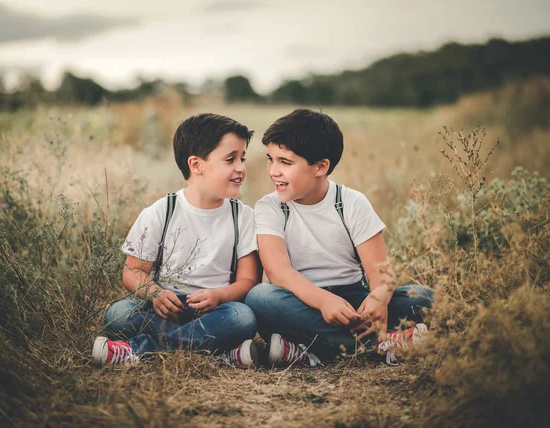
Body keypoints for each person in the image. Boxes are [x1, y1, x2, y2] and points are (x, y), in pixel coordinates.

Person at [245, 109, 434, 367]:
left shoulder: (351, 202)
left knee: (425, 298)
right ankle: (382, 345)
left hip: (355, 302)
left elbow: (381, 271)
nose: (273, 171)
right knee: (261, 299)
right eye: (271, 159)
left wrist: (379, 297)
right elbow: (278, 272)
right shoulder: (270, 207)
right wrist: (323, 301)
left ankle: (313, 350)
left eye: (285, 162)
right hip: (302, 302)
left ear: (321, 166)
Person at [92, 113, 261, 368]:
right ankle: (218, 352)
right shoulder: (161, 212)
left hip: (216, 310)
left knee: (242, 318)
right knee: (119, 314)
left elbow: (249, 281)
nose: (240, 167)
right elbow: (132, 271)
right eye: (230, 159)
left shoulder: (243, 217)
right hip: (165, 309)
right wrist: (155, 294)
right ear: (196, 164)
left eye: (242, 158)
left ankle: (139, 350)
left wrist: (218, 296)